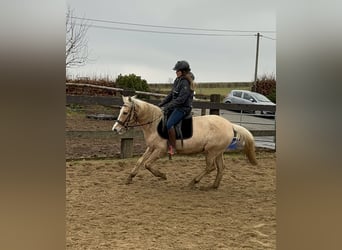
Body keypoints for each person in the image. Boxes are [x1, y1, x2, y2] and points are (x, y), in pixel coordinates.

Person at [158, 60, 195, 156]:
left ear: (183, 71)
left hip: (183, 108)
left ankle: (173, 148)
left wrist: (169, 106)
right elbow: (171, 94)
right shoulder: (177, 80)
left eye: (177, 70)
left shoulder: (185, 83)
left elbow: (181, 100)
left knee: (169, 124)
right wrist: (161, 104)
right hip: (176, 106)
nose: (176, 72)